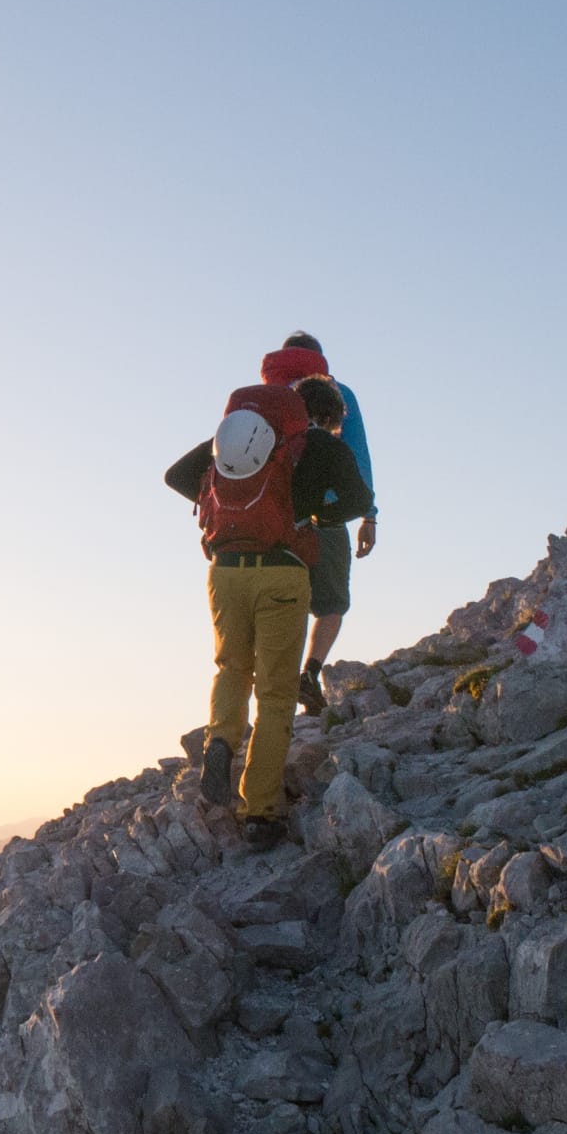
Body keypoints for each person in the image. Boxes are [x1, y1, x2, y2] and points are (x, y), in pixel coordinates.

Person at [165, 377, 373, 851]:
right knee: (276, 694)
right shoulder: (318, 445)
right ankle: (260, 812)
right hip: (283, 573)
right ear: (328, 417)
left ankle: (220, 742)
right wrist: (313, 510)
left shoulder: (245, 432)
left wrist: (218, 510)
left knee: (232, 669)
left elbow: (176, 476)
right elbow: (358, 501)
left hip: (224, 572)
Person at [258, 333, 377, 711]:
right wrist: (368, 516)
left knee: (283, 603)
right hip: (325, 513)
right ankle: (309, 673)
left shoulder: (265, 398)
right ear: (320, 360)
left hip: (271, 519)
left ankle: (274, 690)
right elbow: (357, 453)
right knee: (331, 604)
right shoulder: (339, 394)